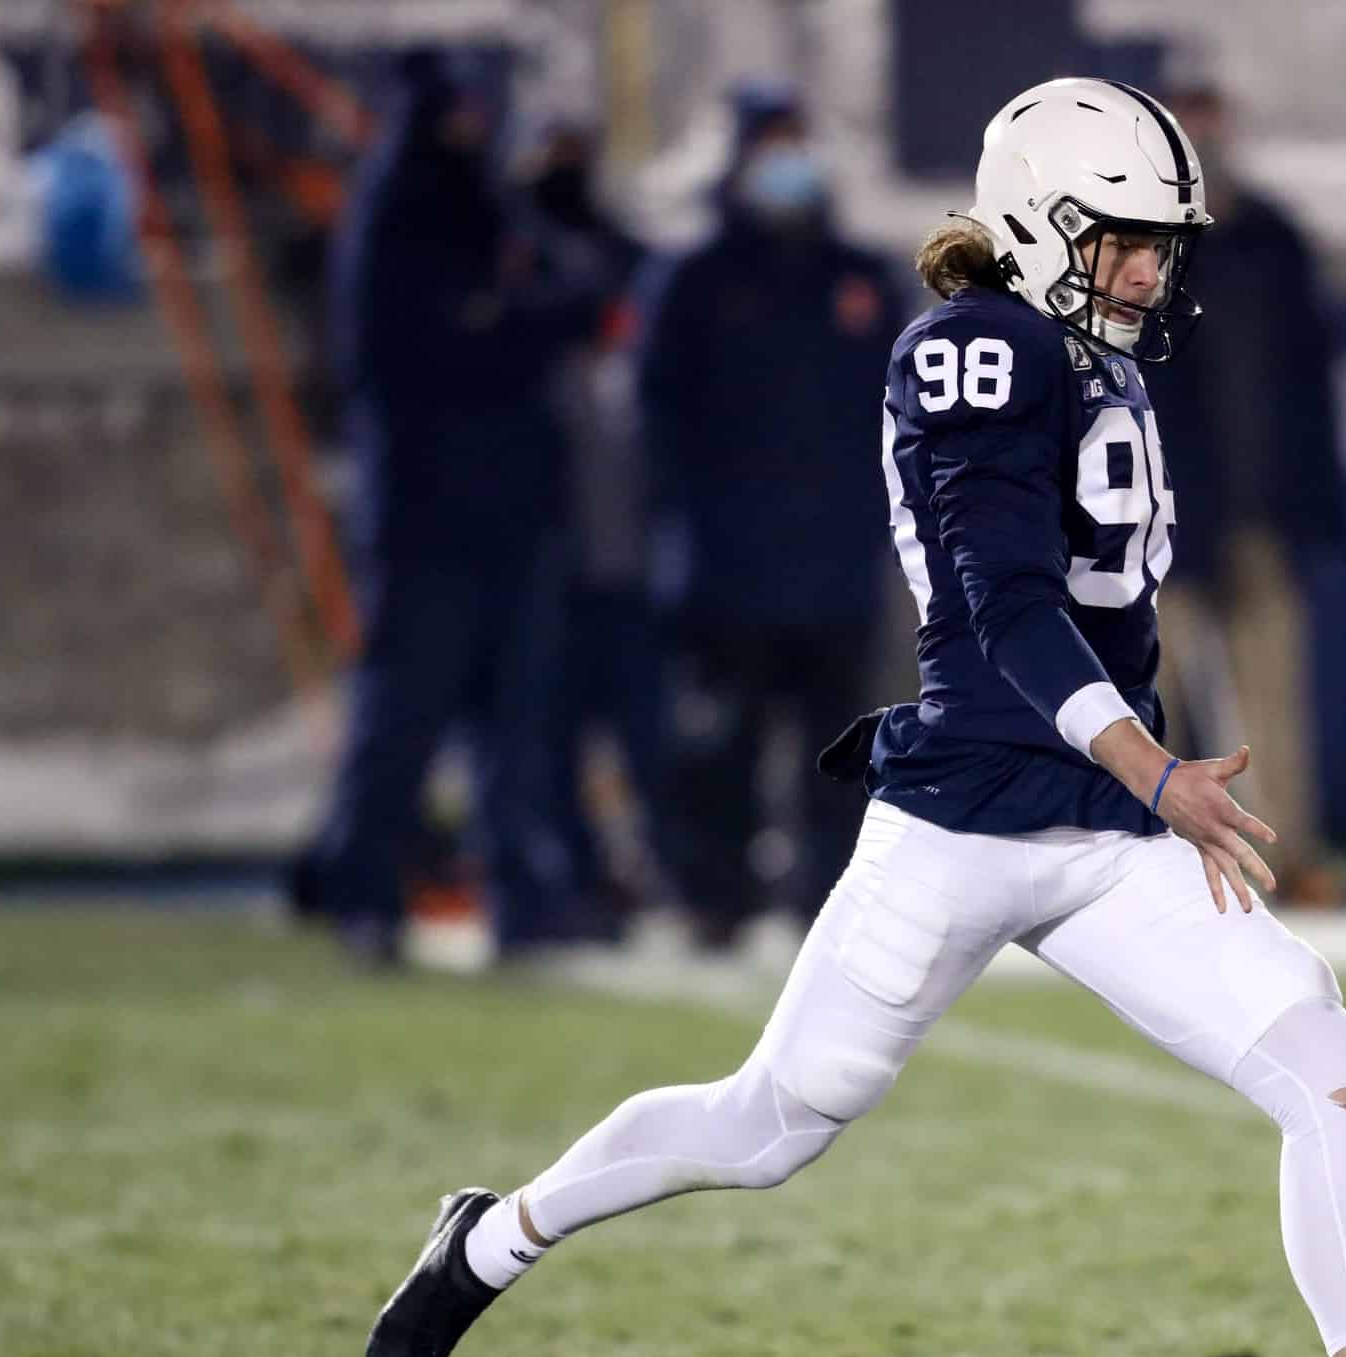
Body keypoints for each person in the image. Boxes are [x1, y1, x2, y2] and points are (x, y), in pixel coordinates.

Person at [363, 77, 1346, 1357]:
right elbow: (1003, 606)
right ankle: (490, 1239)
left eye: (1163, 242)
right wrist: (1157, 766)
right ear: (1035, 223)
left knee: (1338, 1077)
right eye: (1123, 238)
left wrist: (1139, 782)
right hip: (964, 824)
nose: (1151, 270)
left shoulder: (1095, 356)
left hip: (1105, 832)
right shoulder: (973, 344)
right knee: (767, 1127)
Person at [302, 50, 601, 965]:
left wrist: (508, 317)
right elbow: (423, 351)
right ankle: (365, 895)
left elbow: (573, 295)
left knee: (517, 723)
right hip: (425, 515)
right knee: (404, 717)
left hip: (515, 508)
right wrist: (514, 322)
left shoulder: (493, 211)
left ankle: (522, 898)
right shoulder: (396, 218)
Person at [637, 85, 902, 949]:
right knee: (720, 745)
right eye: (771, 145)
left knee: (840, 746)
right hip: (728, 560)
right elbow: (655, 420)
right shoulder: (695, 280)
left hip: (836, 558)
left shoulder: (859, 279)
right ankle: (714, 896)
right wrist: (683, 528)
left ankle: (831, 898)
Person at [1144, 75, 1346, 907]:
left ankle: (1284, 856)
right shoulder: (1128, 244)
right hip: (1155, 515)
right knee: (1151, 698)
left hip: (1257, 510)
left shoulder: (1273, 240)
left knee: (1270, 699)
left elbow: (1310, 386)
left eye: (1211, 125)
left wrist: (1315, 502)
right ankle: (1145, 863)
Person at [523, 121, 669, 931]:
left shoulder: (632, 337)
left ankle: (655, 873)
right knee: (548, 744)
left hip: (631, 575)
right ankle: (571, 879)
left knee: (649, 741)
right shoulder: (534, 345)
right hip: (553, 573)